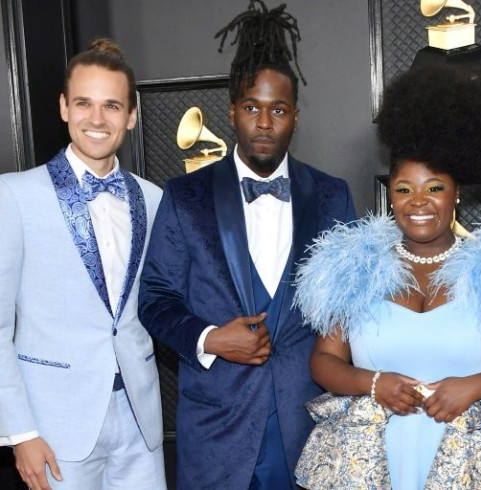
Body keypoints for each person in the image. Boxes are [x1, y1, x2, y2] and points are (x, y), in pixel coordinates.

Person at [293, 65, 481, 490]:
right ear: (389, 194)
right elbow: (324, 361)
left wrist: (473, 387)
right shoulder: (352, 268)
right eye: (403, 189)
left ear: (456, 194)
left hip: (472, 462)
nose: (418, 202)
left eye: (434, 188)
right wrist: (373, 383)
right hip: (370, 462)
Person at [137, 1, 356, 488]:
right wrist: (210, 338)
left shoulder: (332, 195)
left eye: (277, 110)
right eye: (252, 108)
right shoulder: (184, 195)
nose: (263, 122)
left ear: (294, 117)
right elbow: (154, 297)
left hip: (306, 422)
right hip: (217, 426)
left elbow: (351, 306)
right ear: (233, 111)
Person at [0, 39, 165, 490]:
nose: (97, 119)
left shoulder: (153, 200)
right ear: (63, 108)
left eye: (112, 106)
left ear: (131, 115)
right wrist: (21, 433)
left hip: (140, 418)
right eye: (84, 103)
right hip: (54, 426)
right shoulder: (14, 196)